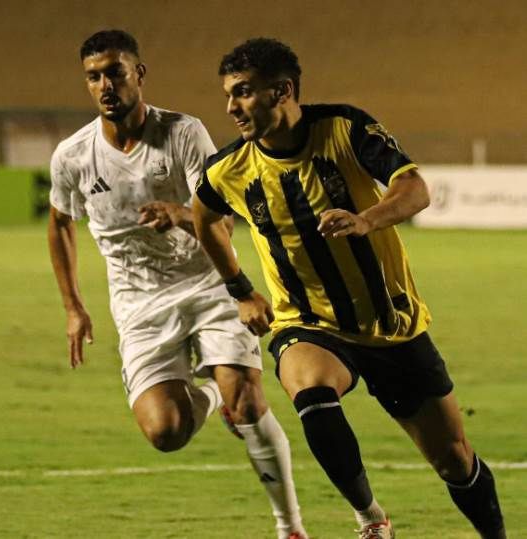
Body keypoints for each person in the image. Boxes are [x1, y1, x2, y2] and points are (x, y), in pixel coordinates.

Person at [192, 37, 506, 539]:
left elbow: (415, 188)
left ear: (283, 91)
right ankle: (371, 518)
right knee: (313, 396)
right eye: (228, 94)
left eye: (244, 92)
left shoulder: (345, 129)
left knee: (454, 461)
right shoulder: (228, 170)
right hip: (307, 323)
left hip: (389, 324)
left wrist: (366, 220)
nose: (231, 107)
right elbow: (205, 219)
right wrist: (241, 290)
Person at [48, 30, 308, 539]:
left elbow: (224, 219)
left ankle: (290, 527)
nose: (105, 85)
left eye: (115, 73)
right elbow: (60, 223)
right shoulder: (73, 156)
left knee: (249, 402)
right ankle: (212, 396)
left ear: (139, 74)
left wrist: (181, 214)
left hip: (209, 283)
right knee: (165, 432)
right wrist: (74, 307)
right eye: (94, 77)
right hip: (139, 303)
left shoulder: (183, 133)